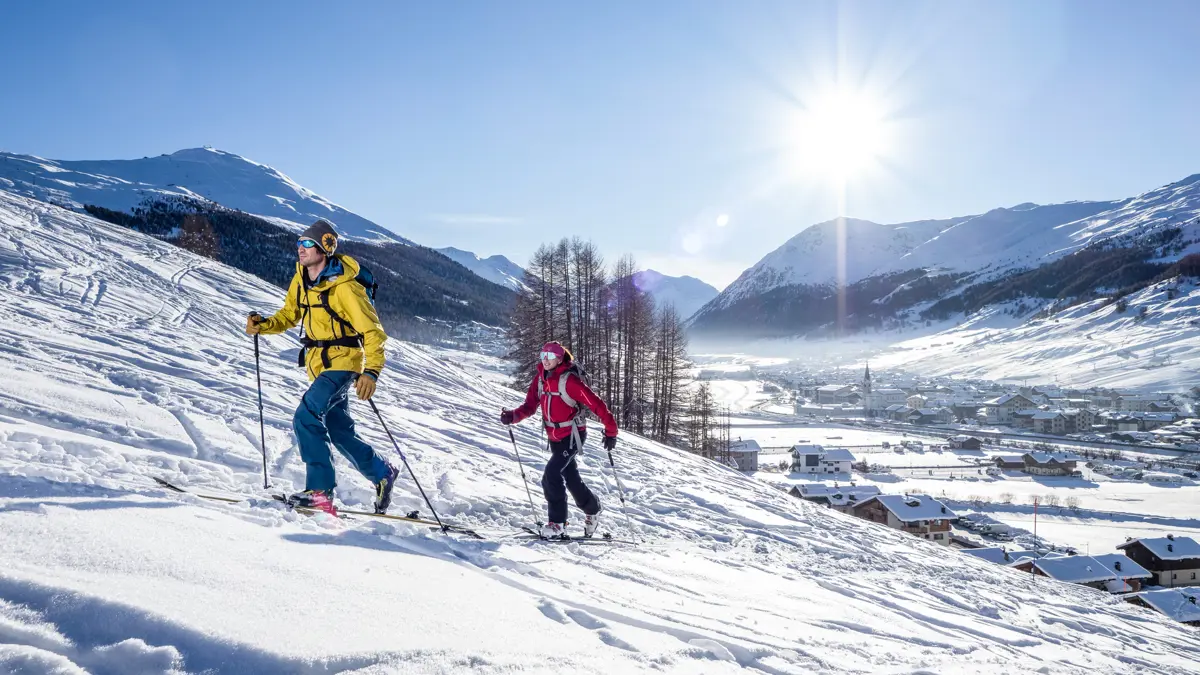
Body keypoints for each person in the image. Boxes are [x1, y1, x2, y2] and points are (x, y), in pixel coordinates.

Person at [245, 219, 399, 516]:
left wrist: (371, 372)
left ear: (324, 248)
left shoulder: (346, 288)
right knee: (338, 430)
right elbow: (289, 315)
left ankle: (320, 492)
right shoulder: (301, 279)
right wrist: (263, 325)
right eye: (299, 243)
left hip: (344, 362)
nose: (300, 249)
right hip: (318, 364)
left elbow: (373, 332)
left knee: (306, 416)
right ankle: (382, 472)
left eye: (307, 244)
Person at [501, 341, 618, 538]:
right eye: (542, 356)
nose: (545, 360)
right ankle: (593, 508)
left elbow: (596, 404)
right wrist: (513, 416)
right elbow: (530, 406)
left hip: (572, 436)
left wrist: (611, 431)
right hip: (555, 437)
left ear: (559, 358)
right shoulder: (541, 379)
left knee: (551, 474)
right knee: (571, 478)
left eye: (549, 356)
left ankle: (557, 524)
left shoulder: (569, 381)